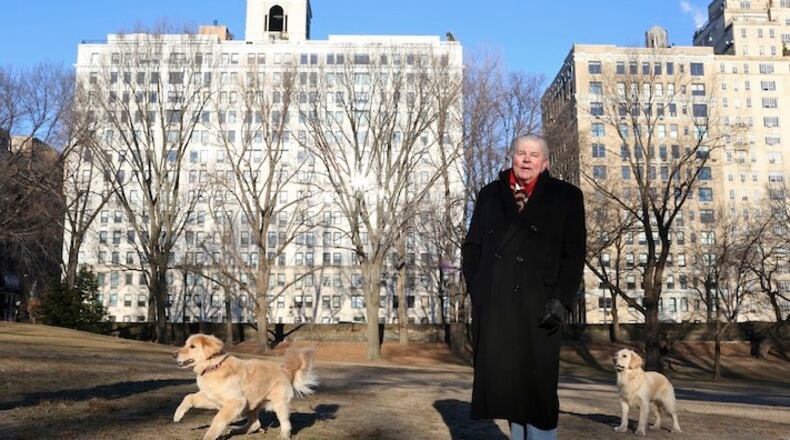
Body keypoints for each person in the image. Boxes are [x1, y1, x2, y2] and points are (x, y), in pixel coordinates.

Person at [462, 134, 586, 440]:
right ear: (512, 158)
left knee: (539, 392)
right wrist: (479, 293)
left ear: (545, 163)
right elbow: (472, 248)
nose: (526, 159)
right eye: (521, 153)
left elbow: (574, 254)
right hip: (498, 307)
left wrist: (561, 300)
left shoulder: (566, 196)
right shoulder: (490, 194)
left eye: (534, 155)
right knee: (510, 391)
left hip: (541, 307)